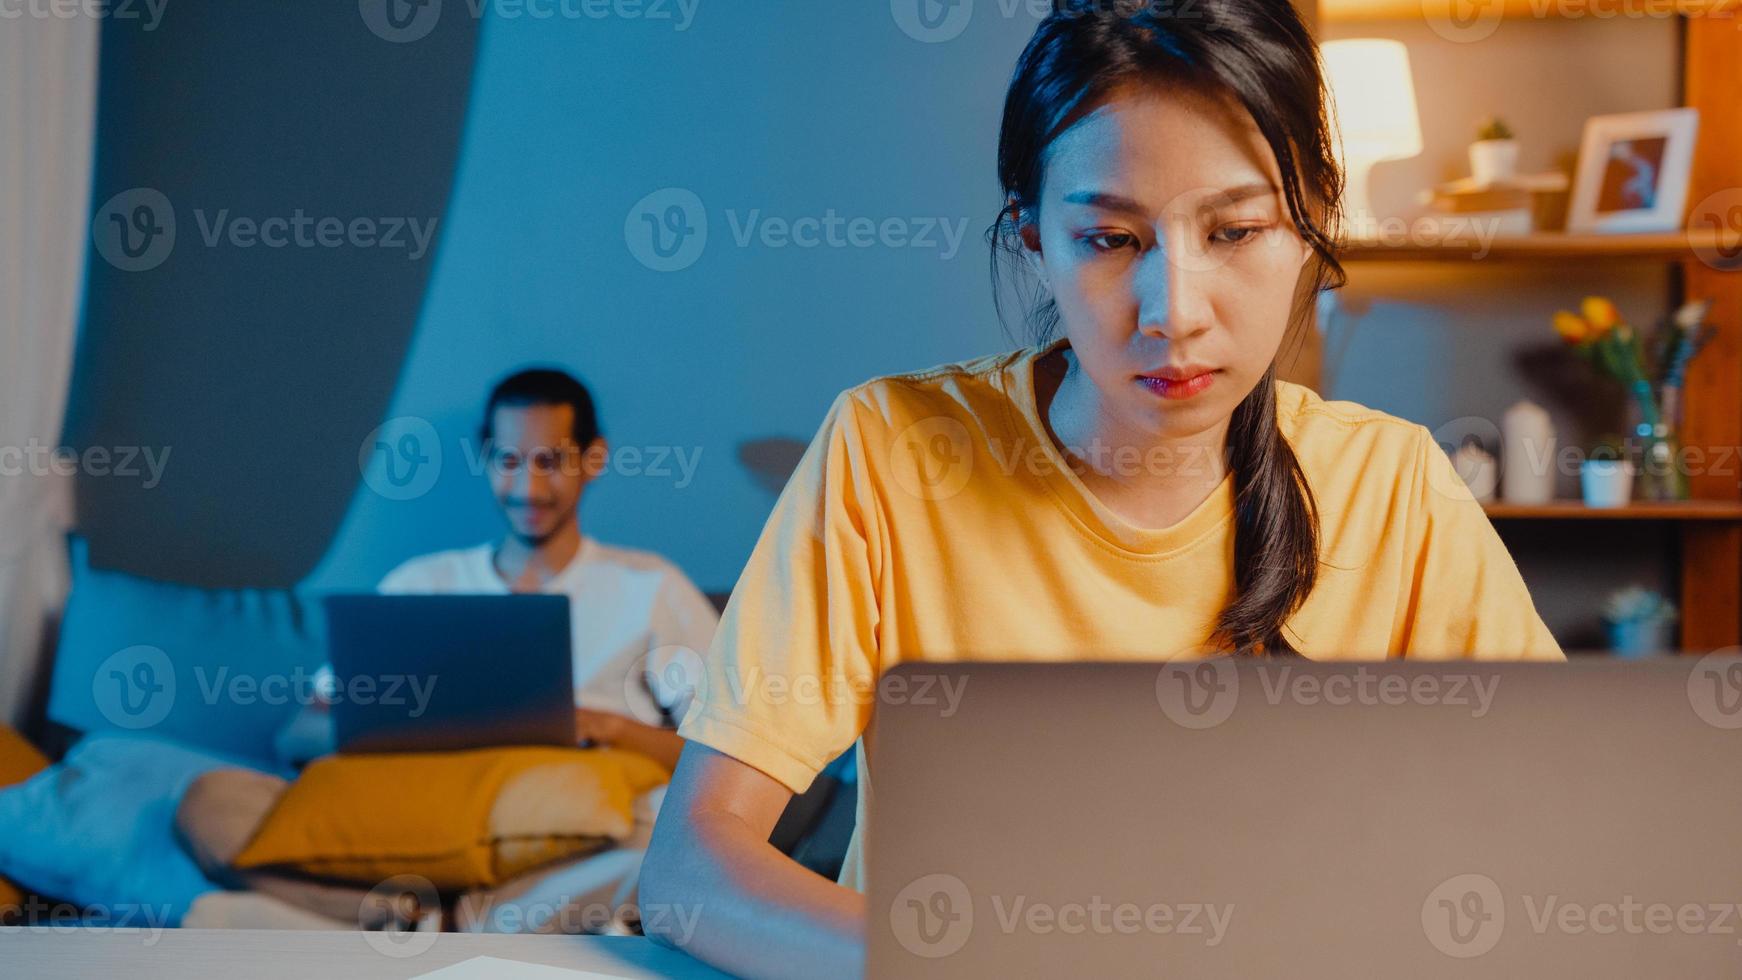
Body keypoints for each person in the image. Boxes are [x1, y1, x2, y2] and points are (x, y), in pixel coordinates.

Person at [638, 3, 1564, 977]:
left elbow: (1556, 838)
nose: (1174, 312)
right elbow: (690, 866)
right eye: (1112, 240)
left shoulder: (1393, 486)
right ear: (1031, 235)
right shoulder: (892, 452)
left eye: (1236, 229)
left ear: (1309, 225)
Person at [276, 367, 720, 771]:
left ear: (594, 458)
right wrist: (430, 730)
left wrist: (610, 729)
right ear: (486, 459)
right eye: (509, 461)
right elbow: (300, 734)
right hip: (434, 799)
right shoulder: (421, 584)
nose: (530, 489)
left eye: (551, 462)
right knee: (220, 797)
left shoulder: (650, 585)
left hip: (584, 801)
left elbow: (723, 757)